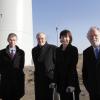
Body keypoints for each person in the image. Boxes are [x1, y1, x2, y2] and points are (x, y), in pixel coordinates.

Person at [54, 30, 80, 100]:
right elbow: (56, 67)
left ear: (70, 38)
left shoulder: (74, 49)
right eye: (62, 37)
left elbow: (72, 67)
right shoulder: (57, 50)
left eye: (66, 37)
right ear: (60, 38)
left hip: (71, 81)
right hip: (61, 82)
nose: (64, 39)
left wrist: (71, 84)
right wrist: (55, 81)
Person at [32, 32, 57, 100]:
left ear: (45, 39)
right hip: (39, 79)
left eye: (42, 38)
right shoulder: (34, 50)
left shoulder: (53, 48)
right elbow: (36, 64)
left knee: (50, 97)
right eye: (38, 39)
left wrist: (55, 80)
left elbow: (57, 65)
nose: (40, 40)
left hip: (50, 79)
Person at [0, 33, 25, 100]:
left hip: (17, 81)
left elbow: (21, 66)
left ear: (16, 40)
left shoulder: (21, 52)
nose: (12, 42)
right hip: (6, 82)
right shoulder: (1, 52)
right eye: (10, 40)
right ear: (7, 40)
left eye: (14, 40)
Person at [82, 26, 100, 100]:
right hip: (93, 92)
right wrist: (89, 87)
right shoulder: (86, 52)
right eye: (90, 36)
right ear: (88, 38)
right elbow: (85, 72)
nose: (93, 38)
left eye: (95, 35)